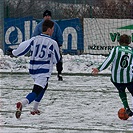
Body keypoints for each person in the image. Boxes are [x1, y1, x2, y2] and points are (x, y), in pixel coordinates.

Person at [12, 20, 60, 119]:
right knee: (36, 91)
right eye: (53, 29)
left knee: (44, 86)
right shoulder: (52, 42)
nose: (53, 31)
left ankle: (35, 108)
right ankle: (22, 103)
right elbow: (56, 59)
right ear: (49, 29)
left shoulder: (34, 39)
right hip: (43, 71)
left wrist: (14, 52)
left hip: (33, 69)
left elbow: (22, 49)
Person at [92, 34, 133, 116]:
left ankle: (127, 107)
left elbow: (109, 60)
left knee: (121, 90)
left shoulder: (116, 49)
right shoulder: (132, 51)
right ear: (129, 42)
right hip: (128, 79)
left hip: (116, 78)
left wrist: (99, 69)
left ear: (119, 42)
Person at [32, 10, 63, 81]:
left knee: (59, 58)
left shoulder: (55, 25)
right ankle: (41, 72)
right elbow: (35, 36)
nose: (47, 17)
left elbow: (59, 35)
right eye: (46, 16)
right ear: (43, 17)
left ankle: (59, 72)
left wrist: (59, 44)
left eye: (48, 16)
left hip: (53, 45)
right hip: (43, 46)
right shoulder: (39, 26)